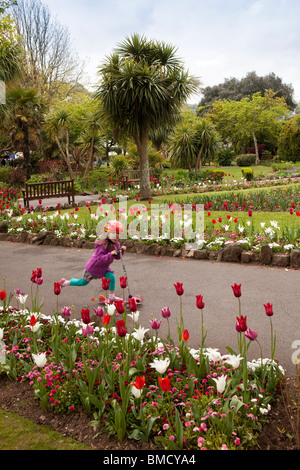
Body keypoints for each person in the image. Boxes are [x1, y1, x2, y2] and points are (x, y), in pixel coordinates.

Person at [60, 220, 126, 302]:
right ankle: (65, 282)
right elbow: (100, 259)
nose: (116, 237)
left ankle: (111, 297)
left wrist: (121, 251)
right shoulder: (102, 245)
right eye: (113, 234)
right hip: (93, 268)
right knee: (82, 282)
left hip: (103, 268)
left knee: (111, 277)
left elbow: (117, 257)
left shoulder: (116, 245)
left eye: (118, 235)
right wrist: (110, 255)